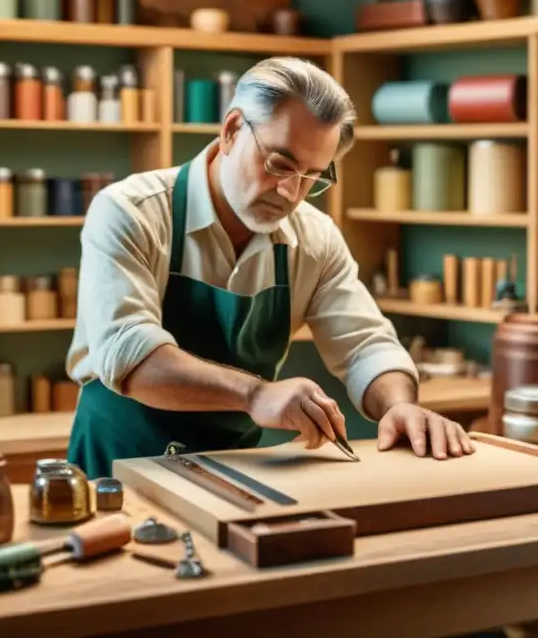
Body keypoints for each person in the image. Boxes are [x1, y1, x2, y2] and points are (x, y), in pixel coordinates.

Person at [65, 56, 475, 479]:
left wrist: (399, 405)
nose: (290, 192)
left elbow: (365, 346)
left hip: (233, 474)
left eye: (312, 177)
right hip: (115, 472)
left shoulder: (315, 240)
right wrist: (256, 394)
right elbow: (129, 355)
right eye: (279, 163)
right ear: (230, 130)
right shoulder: (131, 212)